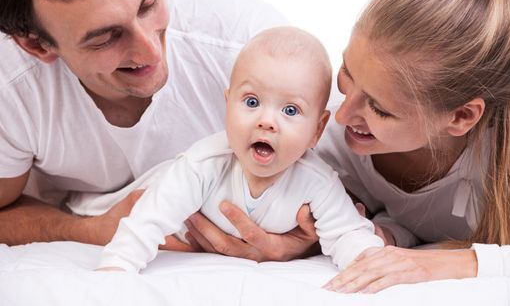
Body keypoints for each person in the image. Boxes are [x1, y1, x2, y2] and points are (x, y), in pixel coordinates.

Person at [178, 0, 510, 293]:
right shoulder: (320, 142)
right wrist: (302, 243)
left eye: (378, 108)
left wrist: (453, 262)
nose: (342, 115)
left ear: (462, 116)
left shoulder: (509, 152)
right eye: (347, 72)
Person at [0, 0, 322, 261]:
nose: (151, 51)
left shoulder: (250, 48)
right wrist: (87, 231)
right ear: (37, 45)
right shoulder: (12, 86)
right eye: (107, 37)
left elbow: (347, 193)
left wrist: (296, 246)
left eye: (148, 2)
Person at [93, 27, 383, 274]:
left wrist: (368, 263)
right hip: (141, 195)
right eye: (252, 102)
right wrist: (117, 266)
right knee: (94, 207)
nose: (266, 122)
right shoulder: (203, 163)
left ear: (317, 130)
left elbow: (346, 234)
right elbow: (149, 218)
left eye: (290, 110)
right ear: (228, 105)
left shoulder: (318, 182)